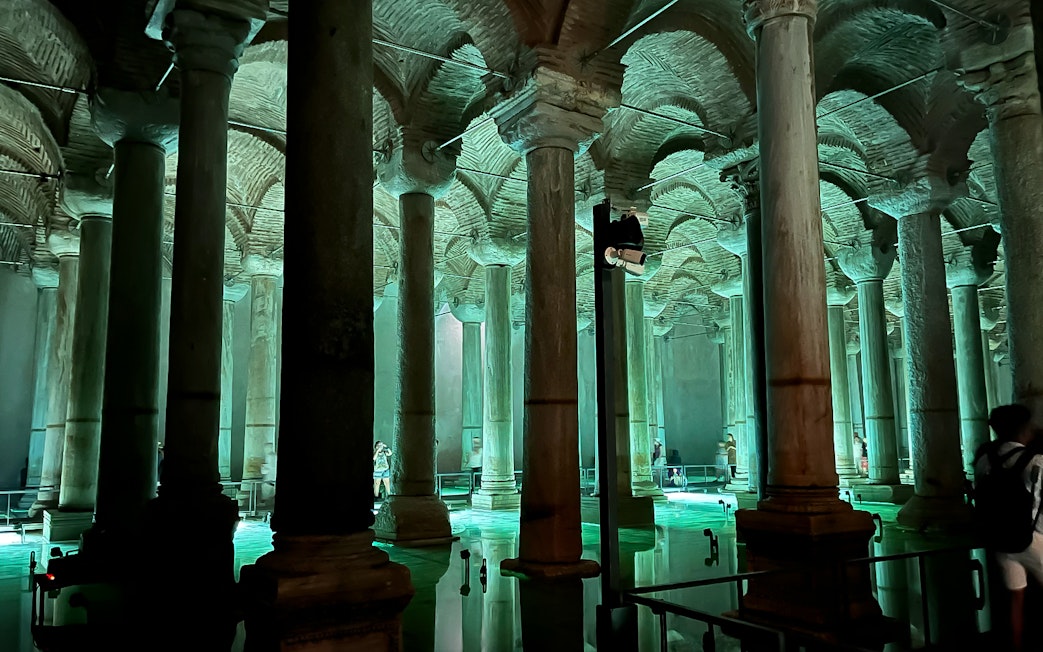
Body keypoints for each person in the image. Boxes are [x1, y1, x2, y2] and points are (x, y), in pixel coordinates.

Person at [974, 404, 1043, 652]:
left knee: (1016, 598)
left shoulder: (985, 459)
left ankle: (1015, 646)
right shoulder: (1035, 460)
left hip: (1001, 538)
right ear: (1022, 428)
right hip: (1033, 538)